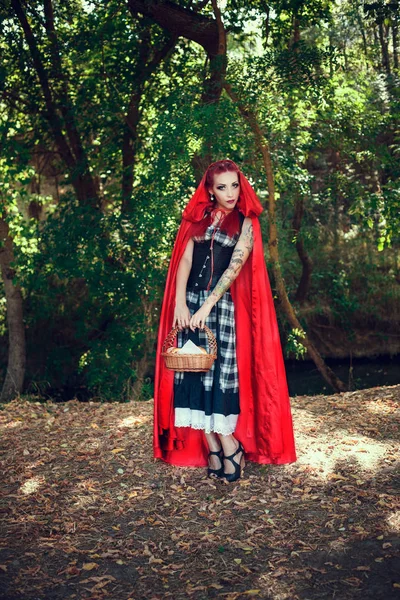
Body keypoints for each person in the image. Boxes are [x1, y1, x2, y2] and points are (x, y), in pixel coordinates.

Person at [153, 159, 296, 482]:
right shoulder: (198, 218)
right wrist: (180, 303)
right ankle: (212, 443)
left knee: (219, 375)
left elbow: (235, 266)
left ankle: (230, 445)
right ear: (210, 190)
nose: (230, 193)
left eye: (234, 185)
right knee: (191, 373)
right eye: (222, 187)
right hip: (188, 305)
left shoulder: (247, 221)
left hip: (220, 308)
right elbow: (186, 259)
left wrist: (207, 306)